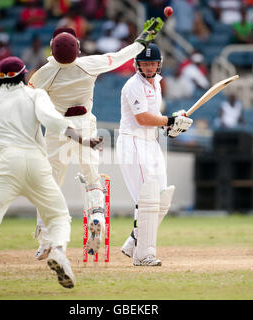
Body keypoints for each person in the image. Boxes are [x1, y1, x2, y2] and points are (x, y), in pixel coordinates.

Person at [0, 56, 102, 296]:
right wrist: (84, 139)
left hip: (4, 164)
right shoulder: (34, 94)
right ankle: (58, 250)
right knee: (58, 215)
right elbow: (53, 121)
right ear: (24, 75)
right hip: (36, 162)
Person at [28, 17, 165, 260]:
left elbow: (28, 99)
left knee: (48, 185)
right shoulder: (89, 64)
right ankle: (97, 218)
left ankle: (46, 239)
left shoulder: (44, 73)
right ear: (78, 49)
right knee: (92, 180)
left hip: (58, 129)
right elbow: (123, 55)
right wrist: (144, 38)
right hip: (85, 128)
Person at [116, 43, 193, 266]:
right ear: (137, 64)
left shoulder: (157, 83)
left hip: (151, 143)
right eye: (144, 63)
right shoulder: (133, 85)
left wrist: (171, 124)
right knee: (147, 198)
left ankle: (134, 241)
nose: (149, 68)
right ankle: (144, 255)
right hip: (133, 141)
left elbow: (155, 115)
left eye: (152, 63)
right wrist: (169, 120)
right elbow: (143, 119)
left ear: (159, 64)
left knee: (161, 199)